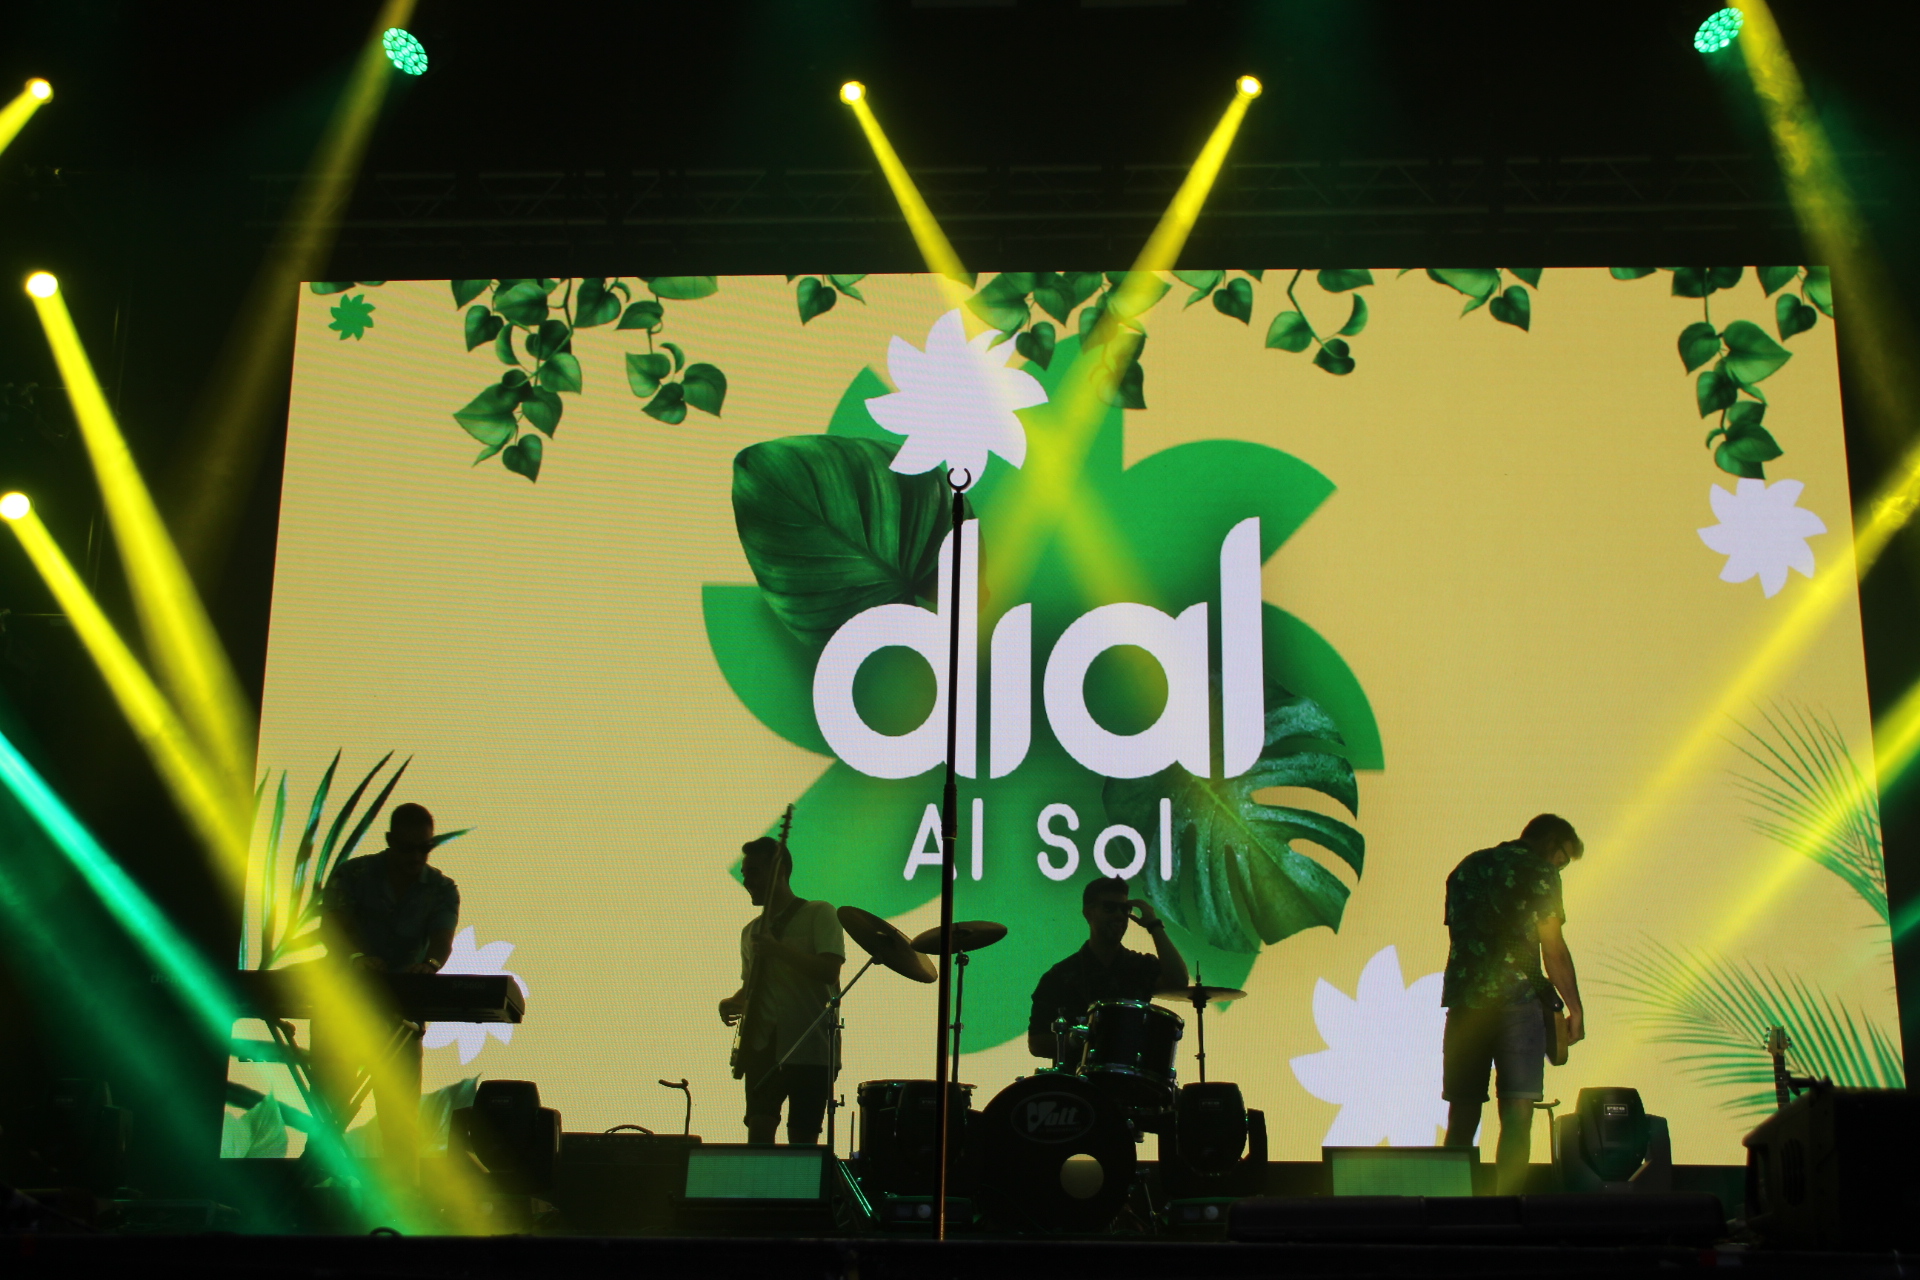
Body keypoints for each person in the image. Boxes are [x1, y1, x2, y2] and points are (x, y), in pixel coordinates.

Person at [1440, 813, 1586, 1194]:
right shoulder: (1540, 873)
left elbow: (1462, 937)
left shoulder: (1467, 868)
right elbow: (1552, 948)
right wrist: (1574, 1008)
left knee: (1462, 1116)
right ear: (1550, 843)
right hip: (1517, 1005)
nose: (1559, 868)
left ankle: (1448, 1205)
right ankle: (1508, 1207)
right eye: (1562, 860)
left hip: (1466, 1005)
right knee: (1518, 1115)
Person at [315, 802, 459, 1176]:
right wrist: (357, 958)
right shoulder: (353, 875)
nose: (416, 857)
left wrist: (430, 965)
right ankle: (314, 1196)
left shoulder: (441, 889)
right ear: (390, 841)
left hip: (401, 1016)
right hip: (344, 1005)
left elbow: (442, 940)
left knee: (399, 1121)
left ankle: (401, 1203)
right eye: (408, 848)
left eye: (424, 848)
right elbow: (331, 927)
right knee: (330, 1111)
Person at [718, 836, 845, 1145]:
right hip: (762, 1047)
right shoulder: (750, 932)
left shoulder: (820, 913)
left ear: (780, 872)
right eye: (745, 873)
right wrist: (733, 1001)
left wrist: (778, 950)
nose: (747, 881)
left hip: (811, 1047)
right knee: (759, 1136)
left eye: (753, 872)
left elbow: (829, 970)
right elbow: (754, 985)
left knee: (802, 1142)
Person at [1027, 876, 1189, 1060]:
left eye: (1125, 909)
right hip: (1077, 1076)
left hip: (1129, 1073)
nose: (1119, 915)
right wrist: (1073, 1040)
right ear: (1089, 913)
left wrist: (1154, 925)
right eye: (1109, 907)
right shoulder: (1060, 977)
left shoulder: (1139, 966)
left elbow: (1179, 981)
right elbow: (1036, 1043)